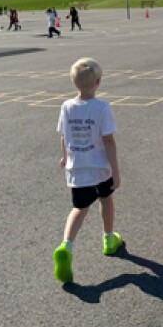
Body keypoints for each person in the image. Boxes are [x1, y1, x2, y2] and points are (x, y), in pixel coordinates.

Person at [52, 58, 123, 284]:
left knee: (79, 208)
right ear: (98, 82)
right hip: (99, 167)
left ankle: (67, 245)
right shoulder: (102, 108)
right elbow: (109, 141)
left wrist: (65, 156)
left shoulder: (67, 106)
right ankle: (109, 239)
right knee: (106, 199)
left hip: (77, 167)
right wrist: (116, 171)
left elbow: (64, 134)